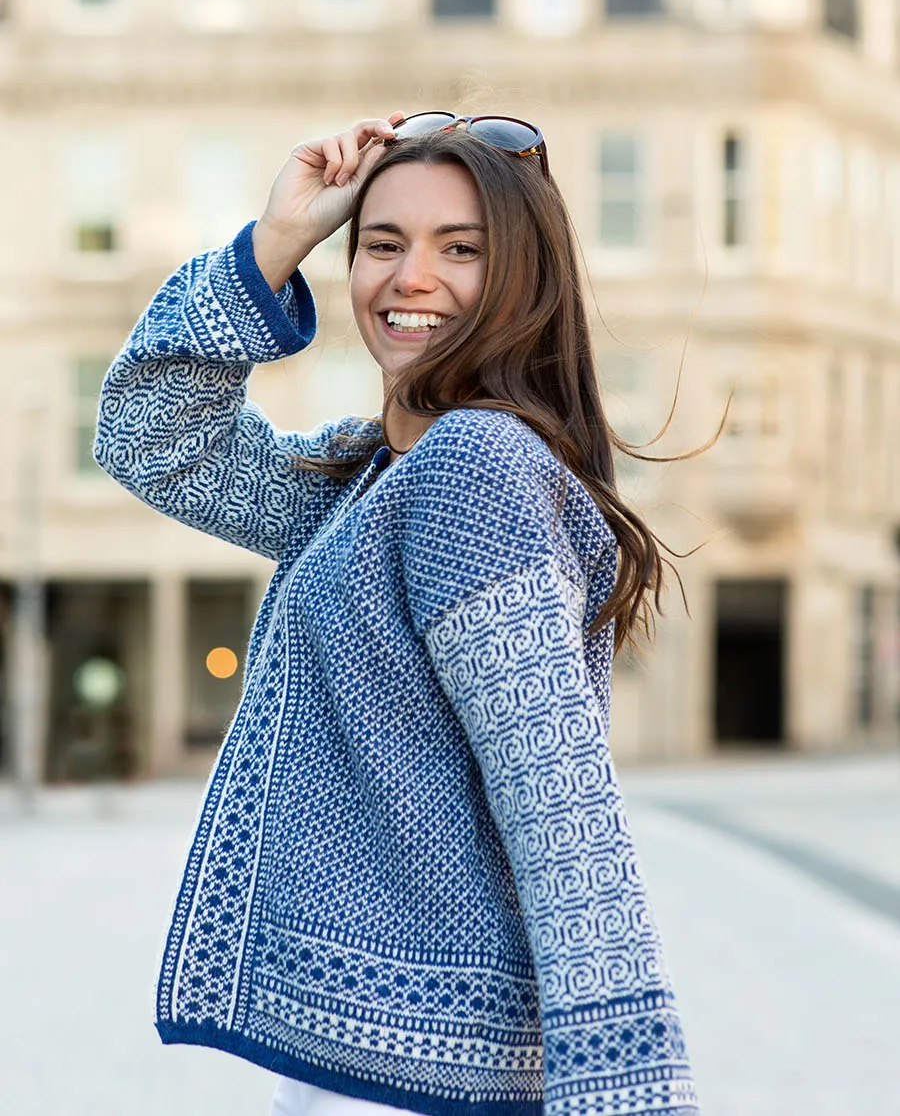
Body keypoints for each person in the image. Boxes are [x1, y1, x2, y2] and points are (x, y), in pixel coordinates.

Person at [94, 111, 702, 1116]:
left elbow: (563, 816)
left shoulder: (474, 471)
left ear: (521, 279)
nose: (411, 277)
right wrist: (274, 243)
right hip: (371, 1070)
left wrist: (629, 1093)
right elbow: (153, 438)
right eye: (383, 243)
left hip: (428, 1085)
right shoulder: (367, 479)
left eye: (460, 249)